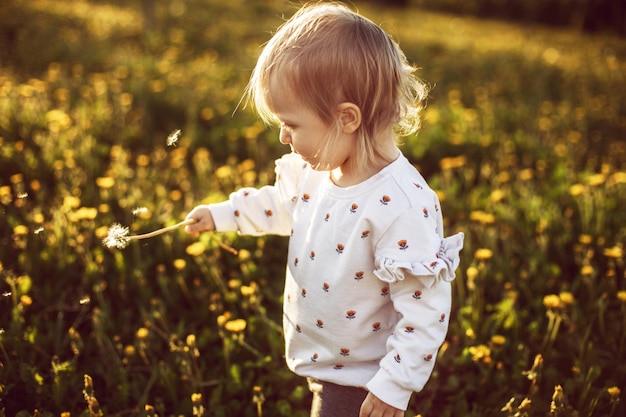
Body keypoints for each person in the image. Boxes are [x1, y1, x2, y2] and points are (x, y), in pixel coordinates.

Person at [185, 2, 464, 416]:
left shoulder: (402, 206)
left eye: (291, 124)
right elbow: (279, 205)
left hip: (362, 381)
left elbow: (424, 310)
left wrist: (394, 385)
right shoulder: (315, 172)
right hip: (326, 362)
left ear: (346, 118)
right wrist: (222, 215)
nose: (282, 136)